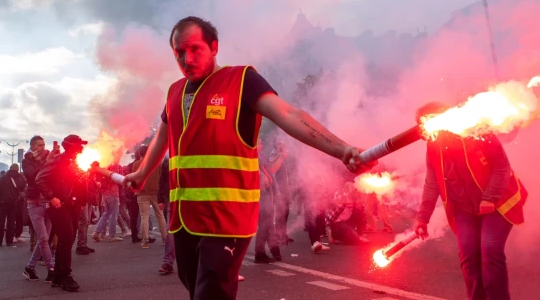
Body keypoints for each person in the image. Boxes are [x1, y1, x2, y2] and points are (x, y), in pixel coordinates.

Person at [125, 16, 375, 300]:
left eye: (195, 49)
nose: (187, 59)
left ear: (214, 46)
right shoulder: (174, 92)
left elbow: (288, 114)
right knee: (194, 286)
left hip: (227, 218)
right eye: (179, 53)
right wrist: (143, 172)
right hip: (184, 218)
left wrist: (341, 149)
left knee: (211, 293)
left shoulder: (241, 80)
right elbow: (163, 135)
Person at [413, 102, 528, 300]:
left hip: (499, 203)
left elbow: (502, 168)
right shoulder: (433, 145)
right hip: (464, 208)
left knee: (490, 251)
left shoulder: (479, 132)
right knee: (469, 258)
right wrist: (422, 218)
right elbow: (432, 183)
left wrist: (489, 198)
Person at [36, 135, 88, 292]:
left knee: (68, 239)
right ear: (70, 146)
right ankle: (65, 275)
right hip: (60, 206)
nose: (81, 148)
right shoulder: (58, 160)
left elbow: (79, 181)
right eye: (79, 145)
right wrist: (52, 197)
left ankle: (58, 275)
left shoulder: (77, 161)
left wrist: (81, 201)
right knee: (66, 238)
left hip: (73, 206)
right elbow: (40, 179)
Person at [22, 136, 58, 283]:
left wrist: (55, 159)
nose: (42, 147)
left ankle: (29, 267)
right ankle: (52, 269)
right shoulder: (27, 160)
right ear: (32, 146)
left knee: (44, 238)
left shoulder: (47, 157)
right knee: (43, 238)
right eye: (39, 145)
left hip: (48, 201)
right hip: (35, 201)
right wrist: (47, 161)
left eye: (44, 144)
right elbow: (32, 176)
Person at [254, 138, 286, 263]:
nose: (262, 144)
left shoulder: (258, 156)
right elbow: (272, 168)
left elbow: (269, 167)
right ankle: (260, 253)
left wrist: (280, 155)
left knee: (267, 224)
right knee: (264, 224)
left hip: (263, 194)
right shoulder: (256, 156)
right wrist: (282, 157)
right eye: (260, 142)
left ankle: (274, 250)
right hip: (262, 194)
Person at [133, 145, 167, 249]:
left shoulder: (136, 164)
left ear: (139, 153)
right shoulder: (157, 163)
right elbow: (162, 177)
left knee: (144, 216)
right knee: (160, 215)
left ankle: (145, 240)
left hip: (142, 193)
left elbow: (135, 178)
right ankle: (165, 239)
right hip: (156, 192)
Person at [91, 164, 124, 242]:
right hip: (113, 193)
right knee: (113, 215)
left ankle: (96, 232)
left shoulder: (104, 164)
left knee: (106, 213)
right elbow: (120, 179)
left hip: (105, 193)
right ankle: (112, 235)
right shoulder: (115, 166)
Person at [0, 164, 23, 246]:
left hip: (2, 202)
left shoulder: (3, 178)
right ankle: (9, 241)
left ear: (10, 169)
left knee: (1, 223)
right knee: (11, 222)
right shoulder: (19, 178)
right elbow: (22, 187)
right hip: (13, 202)